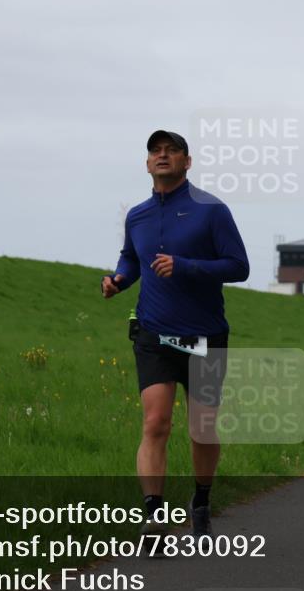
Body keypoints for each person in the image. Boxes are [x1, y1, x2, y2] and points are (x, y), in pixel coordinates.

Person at [102, 130, 249, 538]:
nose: (162, 155)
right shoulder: (138, 215)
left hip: (204, 334)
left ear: (188, 161)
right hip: (153, 331)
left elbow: (239, 266)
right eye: (155, 151)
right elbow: (132, 258)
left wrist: (186, 266)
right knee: (155, 423)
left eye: (172, 150)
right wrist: (118, 280)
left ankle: (201, 500)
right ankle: (153, 514)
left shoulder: (211, 210)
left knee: (202, 426)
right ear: (147, 163)